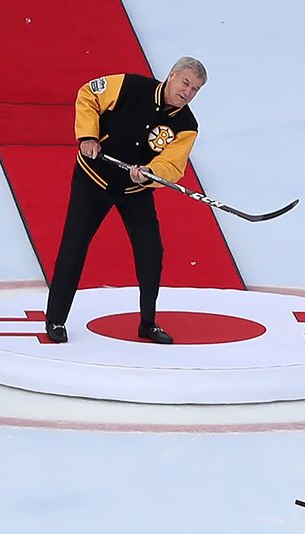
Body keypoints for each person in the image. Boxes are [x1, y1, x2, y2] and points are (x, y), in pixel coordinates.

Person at [43, 56, 207, 345]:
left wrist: (150, 173)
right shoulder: (130, 86)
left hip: (135, 191)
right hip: (92, 179)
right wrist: (89, 136)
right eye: (185, 83)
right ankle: (55, 319)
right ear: (171, 75)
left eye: (195, 89)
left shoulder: (187, 125)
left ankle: (148, 323)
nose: (188, 93)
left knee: (151, 254)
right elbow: (88, 93)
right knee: (74, 247)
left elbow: (173, 165)